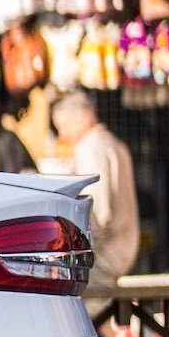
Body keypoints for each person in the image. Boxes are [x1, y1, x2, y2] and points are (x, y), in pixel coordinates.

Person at [52, 89, 138, 302]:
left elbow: (98, 212)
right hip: (122, 250)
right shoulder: (113, 143)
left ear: (84, 118)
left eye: (64, 126)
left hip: (105, 256)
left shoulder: (91, 146)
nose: (63, 135)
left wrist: (80, 249)